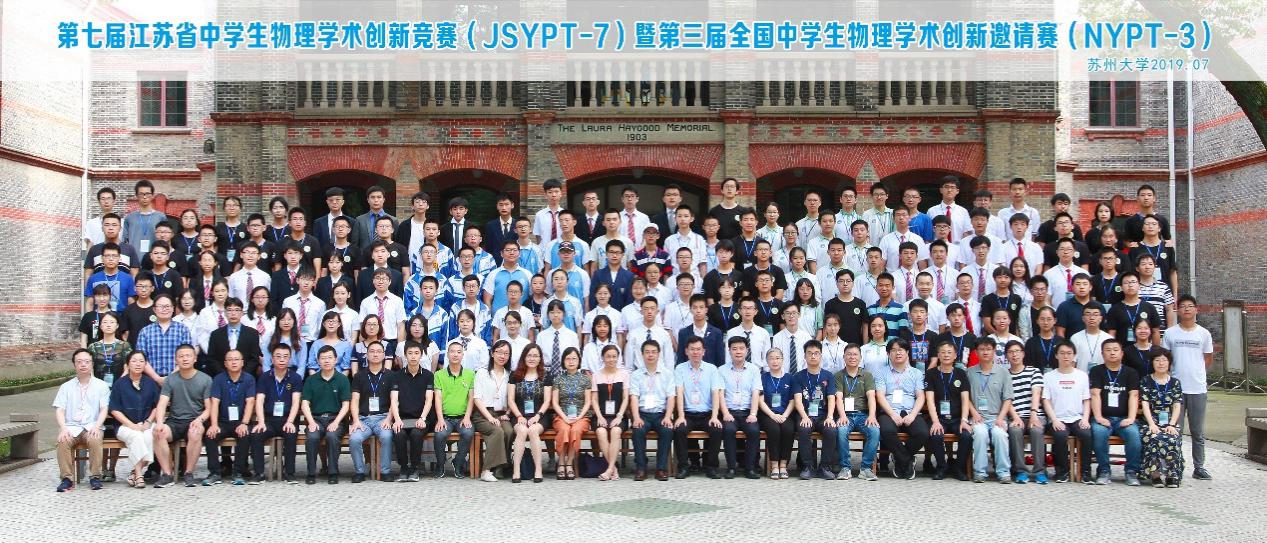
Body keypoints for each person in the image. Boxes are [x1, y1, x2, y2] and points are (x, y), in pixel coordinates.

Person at [1162, 294, 1213, 480]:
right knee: (1175, 429)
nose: (1186, 309)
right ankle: (1174, 466)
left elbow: (1207, 358)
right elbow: (1165, 359)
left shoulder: (1204, 334)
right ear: (1178, 310)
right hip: (1176, 389)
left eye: (1190, 306)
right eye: (1183, 306)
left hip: (1198, 388)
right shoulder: (1170, 333)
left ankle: (1199, 467)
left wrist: (1196, 372)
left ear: (1196, 309)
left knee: (1197, 432)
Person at [152, 344, 212, 488]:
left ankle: (188, 473)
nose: (185, 359)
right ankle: (167, 474)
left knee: (195, 432)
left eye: (188, 356)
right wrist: (159, 422)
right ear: (176, 360)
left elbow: (209, 408)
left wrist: (199, 420)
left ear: (195, 358)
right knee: (158, 432)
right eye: (181, 356)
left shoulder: (205, 379)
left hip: (195, 419)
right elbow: (162, 403)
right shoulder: (170, 380)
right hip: (175, 420)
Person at [53, 349, 111, 492]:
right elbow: (59, 409)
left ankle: (95, 477)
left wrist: (97, 426)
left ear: (92, 364)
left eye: (87, 361)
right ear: (74, 365)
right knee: (62, 441)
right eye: (79, 362)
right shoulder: (66, 387)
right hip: (71, 427)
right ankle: (67, 479)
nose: (83, 365)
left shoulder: (101, 386)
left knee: (95, 439)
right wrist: (63, 428)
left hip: (92, 425)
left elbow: (104, 409)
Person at [1087, 338, 1142, 486]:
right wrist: (1098, 417)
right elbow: (1095, 394)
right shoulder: (1096, 371)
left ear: (1122, 353)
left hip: (1124, 418)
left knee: (1133, 435)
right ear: (1102, 354)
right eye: (1108, 350)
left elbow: (1134, 395)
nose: (1112, 353)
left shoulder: (1131, 372)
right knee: (1099, 433)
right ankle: (1104, 470)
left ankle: (1131, 471)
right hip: (1102, 418)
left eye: (1115, 350)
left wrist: (1131, 418)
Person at [875, 339, 929, 479]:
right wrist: (892, 414)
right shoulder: (881, 372)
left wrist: (913, 414)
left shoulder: (916, 373)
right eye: (893, 350)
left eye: (901, 350)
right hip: (889, 411)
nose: (897, 353)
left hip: (911, 411)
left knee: (923, 433)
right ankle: (907, 460)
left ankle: (899, 459)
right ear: (888, 354)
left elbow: (920, 396)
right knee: (886, 431)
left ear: (907, 353)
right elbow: (880, 396)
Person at [671, 337, 724, 479]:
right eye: (692, 349)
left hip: (707, 414)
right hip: (688, 414)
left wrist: (714, 416)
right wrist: (681, 416)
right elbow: (679, 392)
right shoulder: (680, 369)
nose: (695, 352)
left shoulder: (711, 369)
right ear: (686, 351)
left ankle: (711, 467)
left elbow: (715, 393)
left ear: (703, 351)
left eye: (698, 349)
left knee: (717, 429)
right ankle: (683, 467)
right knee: (679, 430)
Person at [965, 337, 1016, 483]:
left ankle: (1003, 472)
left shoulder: (1003, 372)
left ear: (994, 351)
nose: (985, 352)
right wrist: (974, 413)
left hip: (997, 417)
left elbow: (1008, 398)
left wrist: (1000, 417)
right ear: (976, 352)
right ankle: (980, 472)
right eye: (982, 349)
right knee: (980, 434)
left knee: (999, 435)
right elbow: (965, 397)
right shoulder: (969, 372)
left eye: (988, 349)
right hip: (978, 417)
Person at [201, 350, 256, 486]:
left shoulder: (249, 379)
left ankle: (238, 472)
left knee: (244, 435)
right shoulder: (219, 379)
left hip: (241, 421)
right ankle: (215, 473)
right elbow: (215, 402)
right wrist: (214, 424)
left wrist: (244, 423)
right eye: (230, 360)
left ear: (242, 362)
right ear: (225, 363)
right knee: (210, 436)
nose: (234, 362)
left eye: (237, 359)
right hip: (223, 422)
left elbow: (250, 402)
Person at [1041, 341, 1093, 483]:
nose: (1066, 356)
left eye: (1069, 353)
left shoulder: (1082, 376)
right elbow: (1046, 400)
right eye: (1062, 353)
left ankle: (1085, 472)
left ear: (1074, 355)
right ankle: (1062, 472)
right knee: (1060, 435)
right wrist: (1054, 420)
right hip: (1057, 418)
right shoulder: (1049, 376)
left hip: (1077, 417)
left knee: (1086, 434)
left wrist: (1085, 419)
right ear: (1056, 355)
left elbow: (1086, 400)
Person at [250, 343, 302, 484]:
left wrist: (290, 421)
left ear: (289, 359)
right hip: (269, 419)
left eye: (285, 356)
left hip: (287, 419)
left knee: (290, 434)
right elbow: (259, 401)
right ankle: (259, 473)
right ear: (272, 359)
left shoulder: (295, 378)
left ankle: (289, 473)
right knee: (256, 435)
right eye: (278, 356)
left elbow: (296, 402)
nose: (281, 359)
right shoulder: (264, 377)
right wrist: (261, 422)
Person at [109, 351, 161, 488]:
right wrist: (132, 425)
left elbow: (157, 406)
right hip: (124, 425)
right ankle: (138, 474)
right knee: (137, 436)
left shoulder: (150, 383)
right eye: (134, 361)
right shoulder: (119, 384)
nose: (138, 364)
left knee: (150, 435)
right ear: (127, 365)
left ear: (145, 364)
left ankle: (134, 473)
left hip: (146, 423)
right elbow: (114, 409)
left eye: (141, 361)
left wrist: (148, 422)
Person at [301, 346, 352, 484]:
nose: (326, 361)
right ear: (318, 361)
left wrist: (336, 422)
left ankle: (333, 472)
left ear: (335, 360)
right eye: (323, 358)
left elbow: (346, 405)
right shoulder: (311, 380)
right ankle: (311, 473)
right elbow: (305, 403)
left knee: (332, 436)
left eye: (330, 357)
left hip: (335, 419)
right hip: (316, 419)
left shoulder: (342, 379)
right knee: (312, 437)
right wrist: (311, 422)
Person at [629, 339, 677, 481]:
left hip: (660, 414)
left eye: (653, 352)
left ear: (659, 354)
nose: (650, 355)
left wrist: (668, 417)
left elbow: (671, 397)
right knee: (638, 431)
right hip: (643, 414)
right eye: (647, 352)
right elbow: (634, 397)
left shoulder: (667, 374)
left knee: (667, 430)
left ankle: (661, 469)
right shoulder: (636, 375)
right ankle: (641, 468)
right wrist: (636, 418)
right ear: (642, 354)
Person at [347, 341, 395, 483]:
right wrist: (356, 420)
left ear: (384, 355)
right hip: (363, 419)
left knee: (387, 436)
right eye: (372, 351)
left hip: (383, 418)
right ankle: (360, 471)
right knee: (354, 439)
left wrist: (389, 419)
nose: (375, 354)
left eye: (379, 351)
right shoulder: (359, 376)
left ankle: (385, 471)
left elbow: (394, 400)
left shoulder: (391, 376)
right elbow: (354, 400)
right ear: (366, 355)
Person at [924, 340, 971, 481]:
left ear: (955, 355)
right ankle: (941, 467)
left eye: (949, 352)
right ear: (938, 355)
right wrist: (935, 421)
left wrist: (964, 420)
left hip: (957, 418)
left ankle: (959, 468)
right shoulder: (931, 374)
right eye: (943, 352)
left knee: (966, 435)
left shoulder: (961, 373)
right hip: (939, 417)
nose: (946, 355)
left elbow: (965, 399)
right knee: (936, 434)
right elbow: (930, 400)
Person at [792, 340, 839, 479]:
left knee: (831, 430)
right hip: (805, 413)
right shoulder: (798, 376)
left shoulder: (828, 375)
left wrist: (830, 417)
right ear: (804, 356)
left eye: (816, 353)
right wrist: (804, 417)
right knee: (804, 428)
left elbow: (831, 398)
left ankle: (824, 467)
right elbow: (797, 400)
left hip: (823, 414)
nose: (813, 356)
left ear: (821, 356)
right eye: (810, 353)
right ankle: (808, 466)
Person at [834, 343, 881, 481]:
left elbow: (871, 397)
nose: (852, 357)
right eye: (849, 354)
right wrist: (842, 416)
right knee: (841, 431)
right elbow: (838, 398)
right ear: (844, 357)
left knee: (874, 431)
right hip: (846, 415)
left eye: (855, 354)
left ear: (860, 357)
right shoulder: (838, 375)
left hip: (862, 414)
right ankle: (845, 468)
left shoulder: (867, 375)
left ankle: (866, 468)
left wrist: (872, 416)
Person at [1004, 339, 1048, 484]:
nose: (1014, 355)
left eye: (1017, 351)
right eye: (1010, 352)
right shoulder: (1004, 375)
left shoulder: (1034, 371)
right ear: (1006, 356)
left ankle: (1039, 471)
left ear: (1023, 354)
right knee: (1015, 431)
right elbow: (1006, 399)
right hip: (1016, 415)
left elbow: (1036, 393)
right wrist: (1015, 417)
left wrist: (1034, 414)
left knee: (1036, 430)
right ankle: (1020, 471)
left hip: (1036, 414)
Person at [1140, 349, 1185, 488]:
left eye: (1164, 360)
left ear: (1169, 363)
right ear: (1152, 363)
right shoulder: (1146, 381)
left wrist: (1172, 424)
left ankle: (1172, 475)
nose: (1161, 363)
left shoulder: (1175, 382)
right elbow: (1145, 404)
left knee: (1172, 438)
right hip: (1149, 421)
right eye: (1157, 360)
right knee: (1154, 438)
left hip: (1169, 422)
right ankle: (1156, 475)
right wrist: (1151, 424)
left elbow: (1177, 405)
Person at [432, 341, 476, 478]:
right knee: (439, 434)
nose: (455, 354)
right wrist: (440, 419)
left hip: (463, 417)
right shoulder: (439, 375)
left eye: (458, 352)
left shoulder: (470, 374)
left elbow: (471, 398)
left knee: (468, 433)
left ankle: (458, 462)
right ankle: (440, 464)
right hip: (445, 417)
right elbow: (437, 398)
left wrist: (467, 417)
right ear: (447, 354)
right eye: (452, 351)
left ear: (463, 355)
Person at [509, 344, 552, 483]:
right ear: (524, 357)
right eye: (529, 355)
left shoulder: (546, 375)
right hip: (519, 415)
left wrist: (537, 416)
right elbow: (510, 400)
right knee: (522, 431)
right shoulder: (515, 375)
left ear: (540, 358)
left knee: (533, 430)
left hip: (540, 415)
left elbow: (547, 401)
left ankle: (538, 470)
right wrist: (519, 416)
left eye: (535, 356)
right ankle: (516, 470)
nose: (532, 358)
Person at [551, 347, 592, 480]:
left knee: (575, 430)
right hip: (562, 416)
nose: (571, 361)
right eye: (568, 358)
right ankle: (561, 462)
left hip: (581, 417)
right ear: (563, 361)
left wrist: (579, 417)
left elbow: (588, 402)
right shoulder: (558, 379)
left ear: (579, 361)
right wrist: (564, 418)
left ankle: (569, 463)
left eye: (574, 358)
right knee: (564, 429)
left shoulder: (585, 379)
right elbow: (555, 402)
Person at [590, 344, 628, 481]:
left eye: (614, 356)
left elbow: (625, 398)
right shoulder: (596, 375)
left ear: (618, 358)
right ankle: (613, 469)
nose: (611, 359)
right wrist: (600, 417)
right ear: (603, 358)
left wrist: (619, 416)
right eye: (608, 356)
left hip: (618, 416)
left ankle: (609, 469)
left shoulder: (624, 374)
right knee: (601, 432)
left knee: (615, 431)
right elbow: (594, 400)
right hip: (601, 415)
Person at [122, 180, 165, 254]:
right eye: (141, 194)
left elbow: (165, 239)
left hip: (155, 258)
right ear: (136, 196)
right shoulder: (130, 218)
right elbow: (125, 240)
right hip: (134, 257)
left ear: (152, 195)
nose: (144, 197)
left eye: (147, 194)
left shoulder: (161, 217)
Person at [354, 185, 396, 249]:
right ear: (368, 200)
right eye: (372, 197)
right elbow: (355, 244)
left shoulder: (393, 220)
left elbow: (396, 242)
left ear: (384, 199)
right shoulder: (360, 220)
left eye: (379, 197)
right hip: (365, 254)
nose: (376, 200)